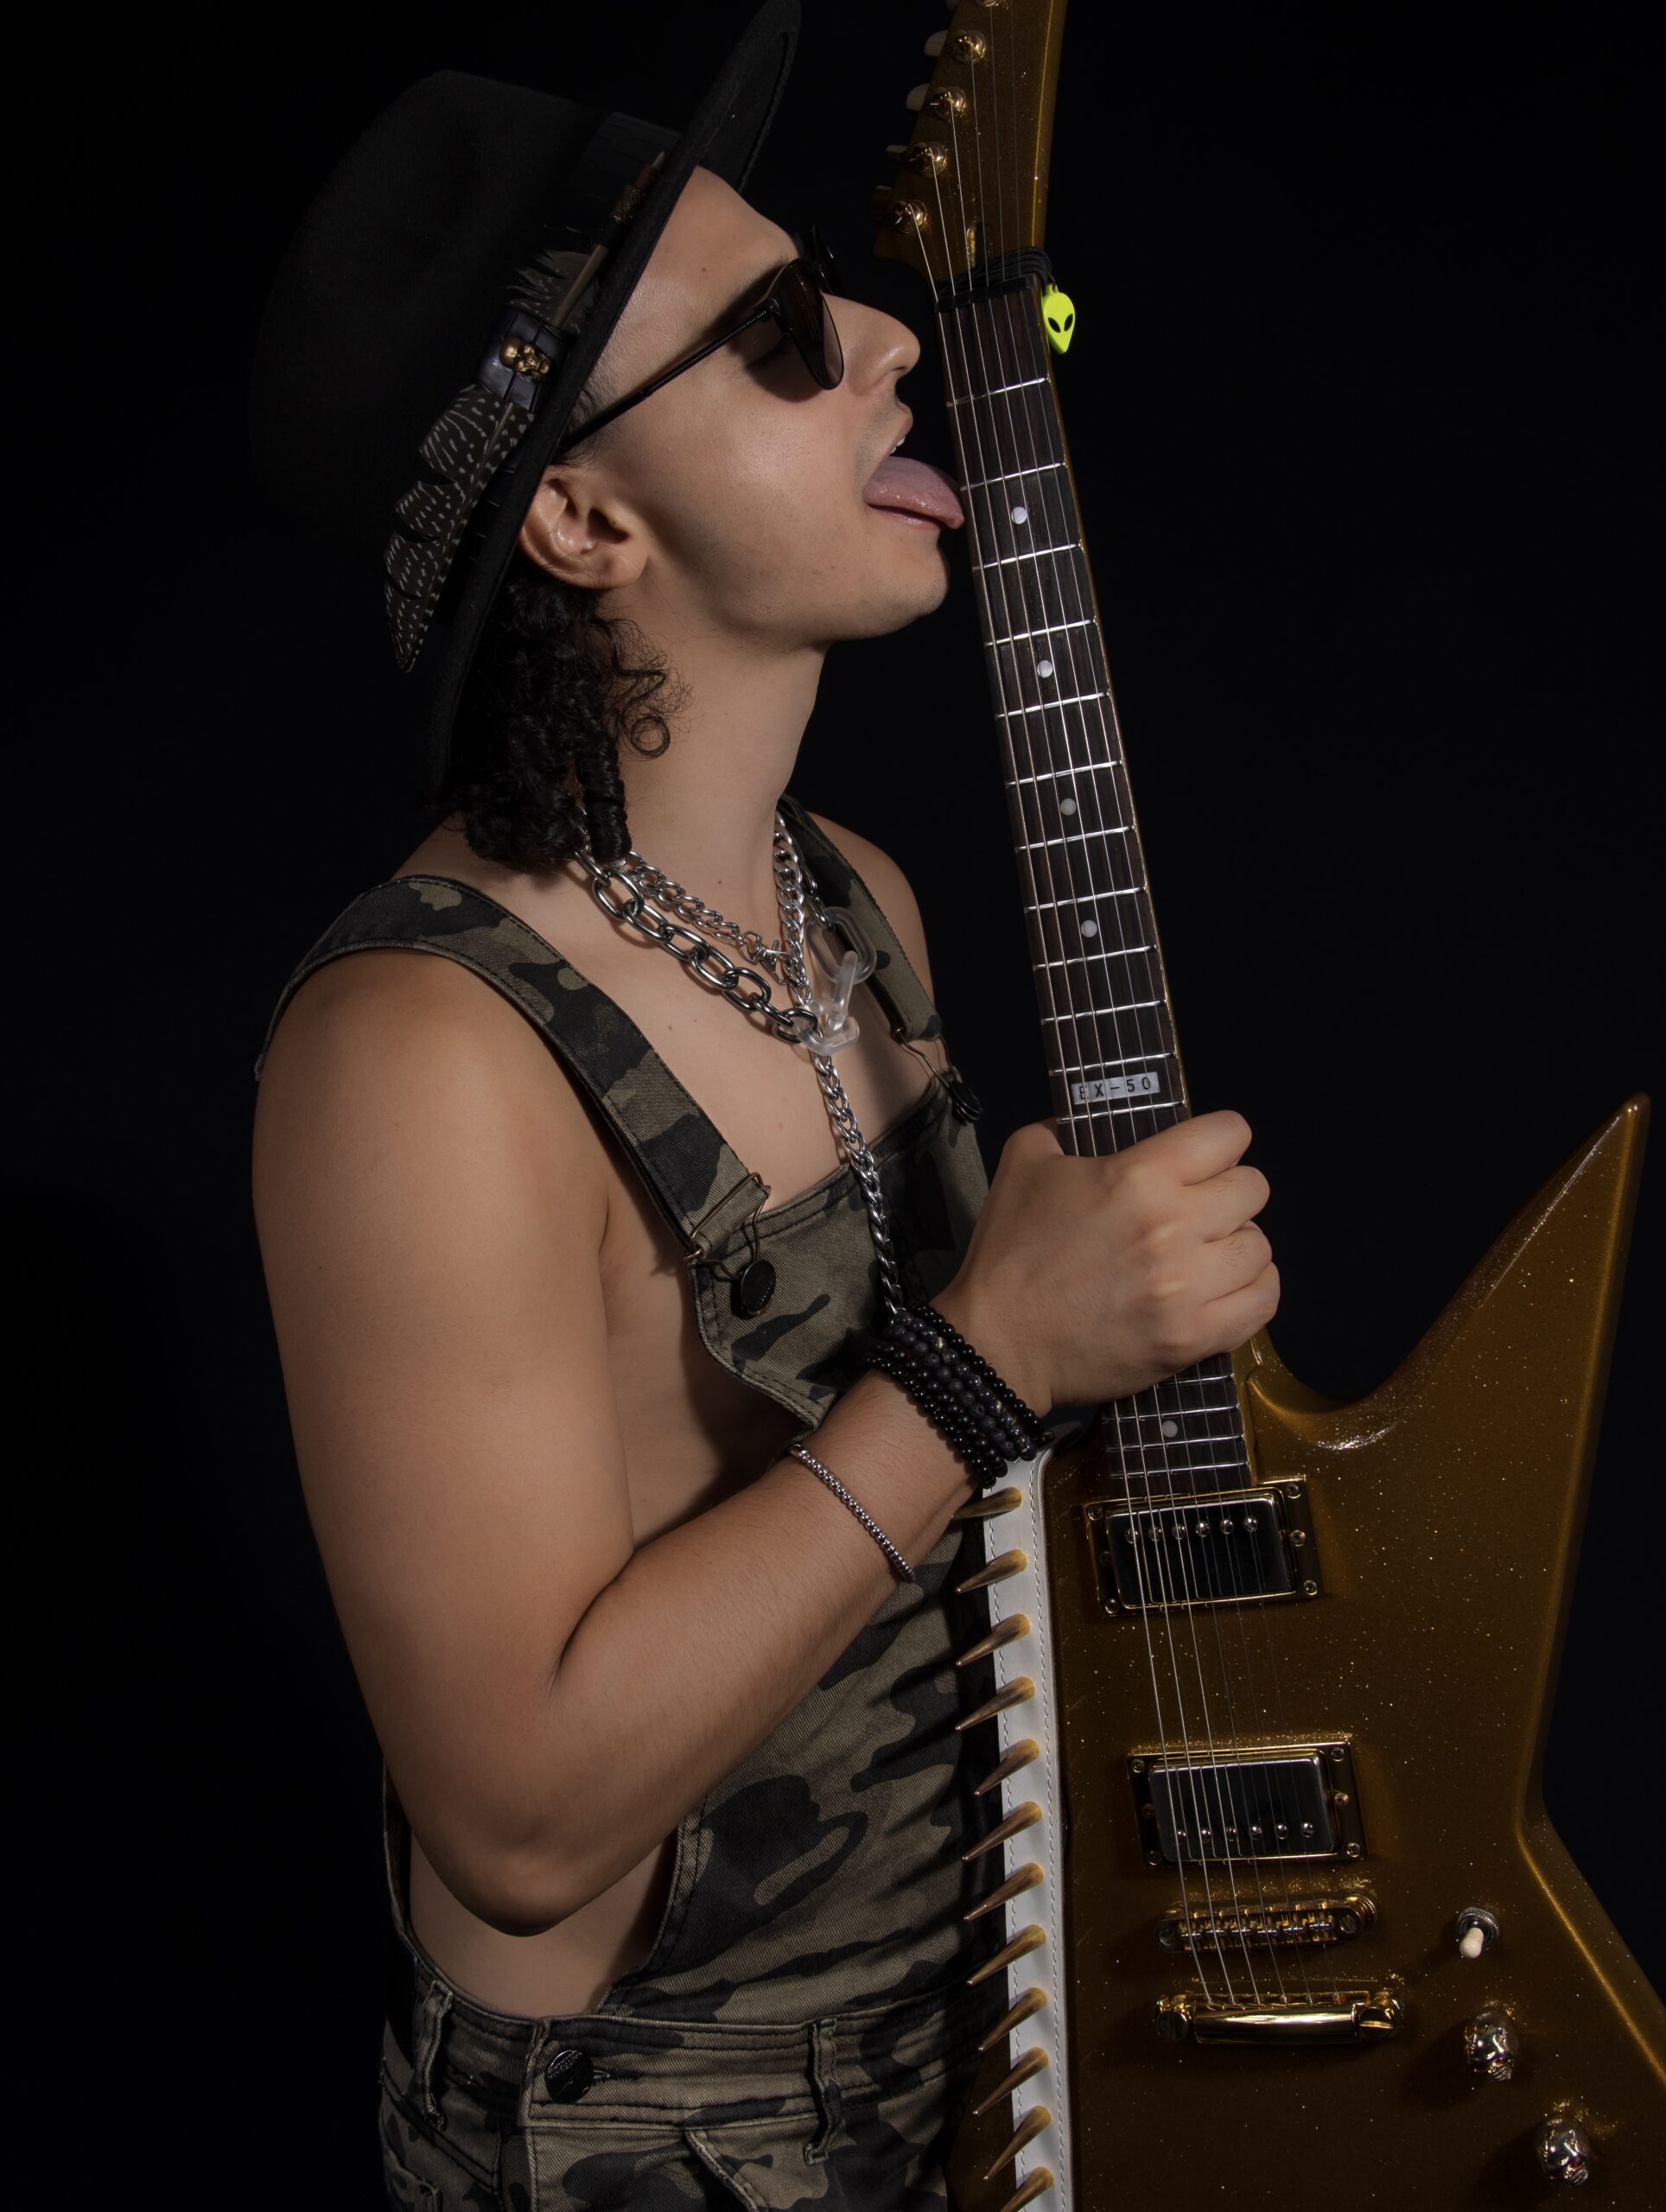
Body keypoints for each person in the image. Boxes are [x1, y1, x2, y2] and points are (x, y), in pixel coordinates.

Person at [248, 6, 1279, 2205]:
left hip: (978, 2055)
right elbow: (518, 1815)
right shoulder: (422, 1054)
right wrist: (993, 1353)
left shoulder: (857, 901)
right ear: (580, 513)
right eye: (781, 338)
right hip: (656, 2141)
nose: (891, 344)